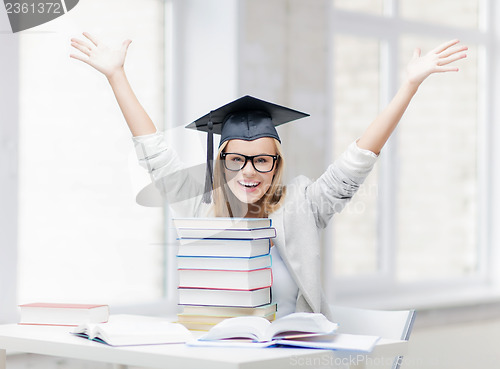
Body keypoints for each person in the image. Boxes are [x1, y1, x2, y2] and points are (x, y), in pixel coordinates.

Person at [70, 33, 467, 319]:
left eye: (262, 160)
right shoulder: (198, 202)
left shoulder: (303, 205)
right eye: (237, 159)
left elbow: (359, 158)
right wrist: (115, 76)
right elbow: (153, 150)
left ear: (277, 163)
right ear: (221, 161)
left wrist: (409, 86)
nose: (249, 171)